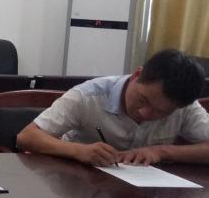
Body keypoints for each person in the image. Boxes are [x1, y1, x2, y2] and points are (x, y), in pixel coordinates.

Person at [17, 49, 209, 165]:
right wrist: (78, 151)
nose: (145, 113)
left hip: (147, 195)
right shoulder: (88, 96)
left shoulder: (185, 105)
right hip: (80, 188)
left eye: (162, 112)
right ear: (136, 75)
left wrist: (161, 151)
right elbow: (27, 137)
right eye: (142, 100)